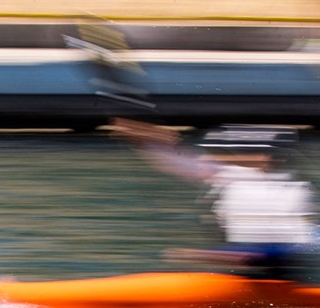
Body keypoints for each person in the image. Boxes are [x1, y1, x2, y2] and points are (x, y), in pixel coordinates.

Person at [111, 118, 316, 280]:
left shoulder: (295, 191)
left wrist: (204, 255)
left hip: (276, 271)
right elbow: (181, 162)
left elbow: (281, 248)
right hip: (243, 265)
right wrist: (147, 140)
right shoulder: (233, 174)